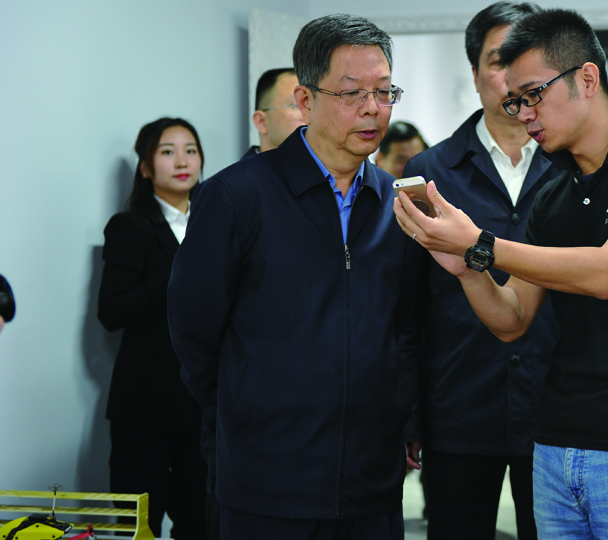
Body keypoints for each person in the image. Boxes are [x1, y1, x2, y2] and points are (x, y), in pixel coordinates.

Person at [395, 9, 608, 539]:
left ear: (586, 79)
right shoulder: (554, 193)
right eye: (515, 101)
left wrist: (480, 244)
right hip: (557, 445)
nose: (524, 113)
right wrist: (468, 269)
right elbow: (513, 318)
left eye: (534, 95)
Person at [168, 14, 421, 540]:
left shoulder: (396, 203)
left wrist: (402, 413)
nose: (373, 108)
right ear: (305, 100)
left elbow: (408, 328)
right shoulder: (236, 197)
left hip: (371, 479)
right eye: (351, 93)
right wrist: (246, 408)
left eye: (384, 91)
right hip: (268, 478)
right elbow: (194, 332)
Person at [400, 3, 560, 538]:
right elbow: (410, 307)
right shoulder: (430, 173)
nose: (513, 77)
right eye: (498, 61)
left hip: (560, 408)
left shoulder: (574, 169)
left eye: (525, 60)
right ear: (474, 73)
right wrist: (410, 414)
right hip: (459, 407)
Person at [97, 117, 207, 539]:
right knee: (138, 526)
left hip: (204, 402)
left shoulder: (217, 221)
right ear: (145, 167)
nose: (182, 161)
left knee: (202, 521)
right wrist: (183, 264)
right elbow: (112, 311)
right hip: (145, 402)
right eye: (167, 151)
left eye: (191, 150)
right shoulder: (129, 227)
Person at [244, 67, 304, 159]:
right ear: (261, 122)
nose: (310, 114)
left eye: (313, 105)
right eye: (296, 105)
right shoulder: (242, 169)